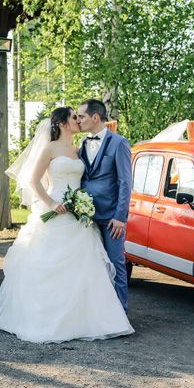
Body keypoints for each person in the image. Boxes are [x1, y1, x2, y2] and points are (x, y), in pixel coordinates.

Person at [0, 107, 134, 343]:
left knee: (85, 268)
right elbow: (33, 180)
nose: (78, 120)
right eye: (74, 117)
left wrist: (82, 203)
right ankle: (44, 317)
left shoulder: (79, 149)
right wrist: (51, 203)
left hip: (78, 214)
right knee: (47, 263)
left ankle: (90, 318)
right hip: (55, 210)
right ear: (63, 123)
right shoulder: (50, 148)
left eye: (80, 116)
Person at [77, 99, 132, 313]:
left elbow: (125, 182)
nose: (78, 120)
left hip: (111, 218)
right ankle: (96, 313)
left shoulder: (119, 143)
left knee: (116, 265)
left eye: (81, 116)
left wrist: (120, 216)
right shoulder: (81, 144)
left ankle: (120, 315)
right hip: (85, 217)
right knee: (91, 265)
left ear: (95, 117)